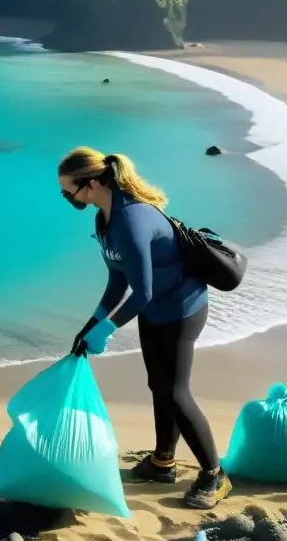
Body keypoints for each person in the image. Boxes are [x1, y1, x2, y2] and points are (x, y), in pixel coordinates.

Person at [58, 146, 230, 509]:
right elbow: (118, 278)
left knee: (176, 392)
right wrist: (93, 321)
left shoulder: (131, 220)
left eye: (67, 191)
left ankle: (215, 474)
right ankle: (162, 462)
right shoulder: (104, 217)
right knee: (159, 386)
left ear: (89, 184)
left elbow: (144, 290)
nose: (67, 198)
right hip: (154, 310)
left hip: (183, 308)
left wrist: (109, 328)